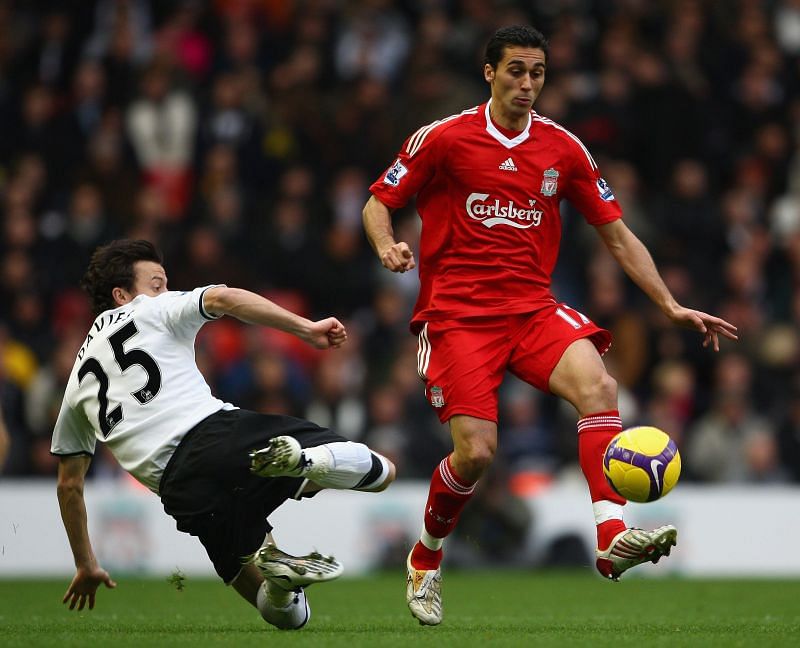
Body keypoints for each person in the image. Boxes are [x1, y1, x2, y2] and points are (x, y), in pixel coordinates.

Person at [362, 25, 737, 626]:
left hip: (531, 308)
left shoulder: (563, 149)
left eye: (537, 72)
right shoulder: (446, 139)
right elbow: (379, 201)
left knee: (601, 387)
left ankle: (611, 539)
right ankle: (426, 558)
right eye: (516, 70)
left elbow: (615, 233)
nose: (527, 83)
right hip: (457, 317)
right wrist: (386, 246)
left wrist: (668, 304)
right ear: (489, 72)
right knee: (478, 454)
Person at [51, 239, 396, 630]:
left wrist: (86, 563)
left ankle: (283, 583)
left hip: (181, 490)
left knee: (286, 616)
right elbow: (224, 298)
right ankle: (304, 461)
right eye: (157, 282)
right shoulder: (150, 308)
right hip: (216, 436)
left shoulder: (76, 382)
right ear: (121, 294)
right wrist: (304, 328)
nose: (165, 290)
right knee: (383, 472)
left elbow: (68, 485)